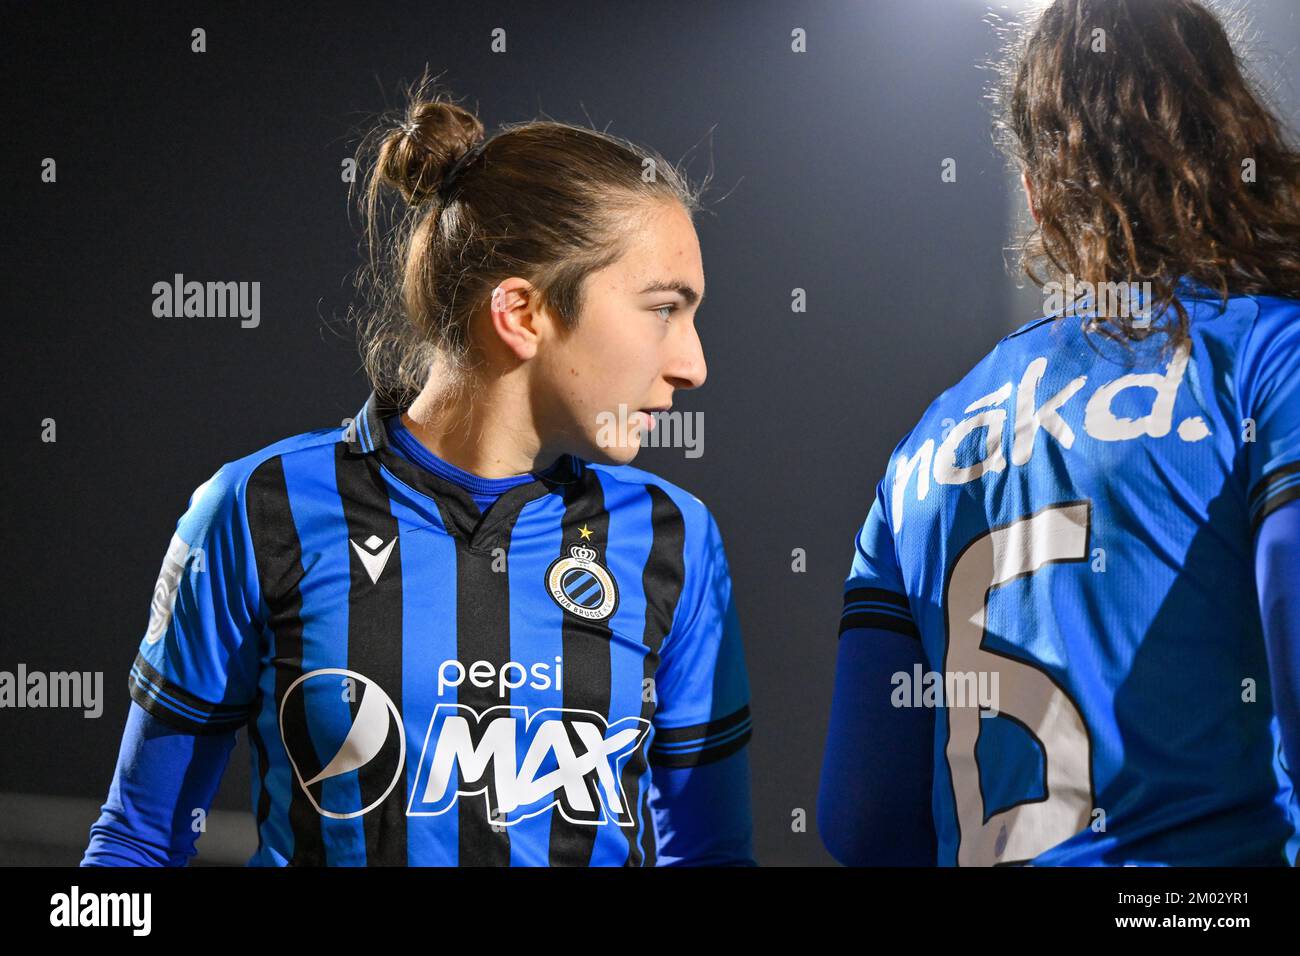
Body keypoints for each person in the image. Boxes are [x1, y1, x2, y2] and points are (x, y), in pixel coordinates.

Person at [82, 79, 753, 867]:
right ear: (523, 313)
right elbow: (135, 847)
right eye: (665, 308)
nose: (694, 364)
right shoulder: (259, 510)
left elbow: (711, 858)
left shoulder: (677, 540)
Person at [819, 0, 1300, 866]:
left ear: (1037, 200)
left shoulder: (920, 447)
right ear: (1236, 148)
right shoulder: (1271, 356)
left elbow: (859, 817)